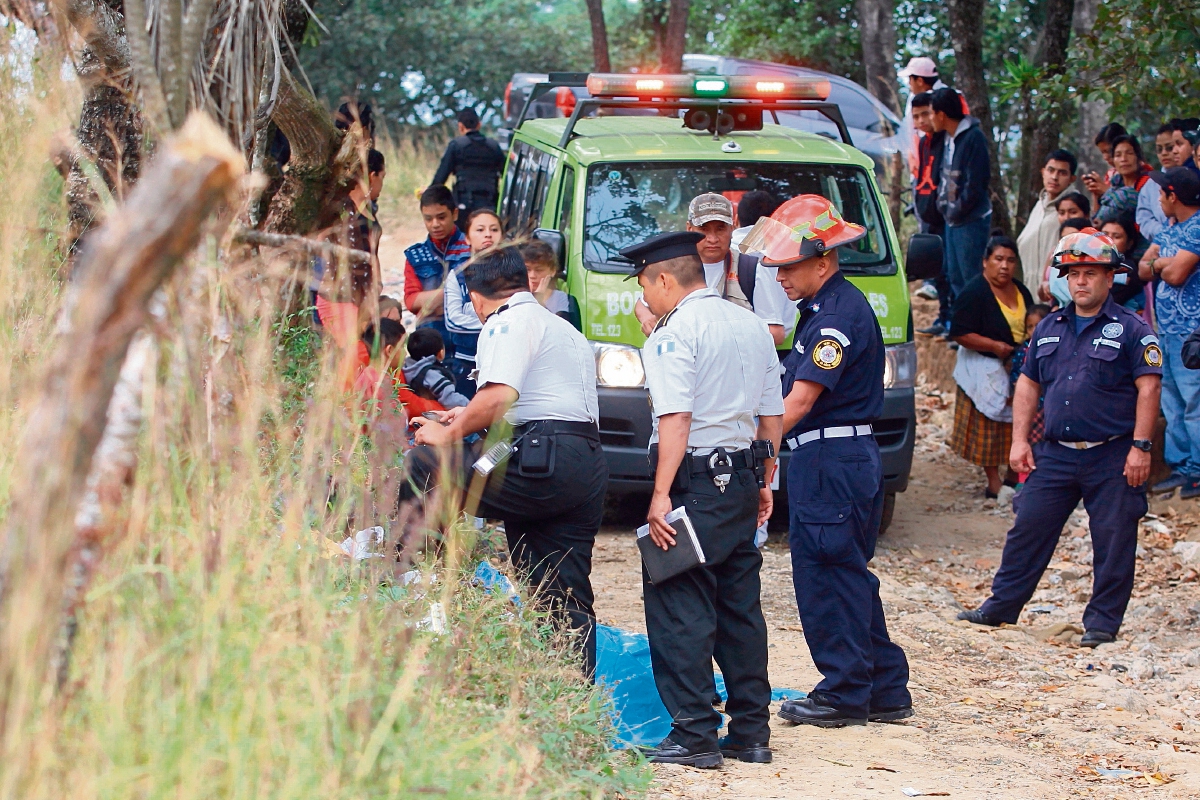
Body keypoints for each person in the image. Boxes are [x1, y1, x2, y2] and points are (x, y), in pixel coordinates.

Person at [739, 195, 912, 728]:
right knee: (848, 574)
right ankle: (883, 688)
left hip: (831, 460)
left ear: (823, 260)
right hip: (839, 458)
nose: (780, 277)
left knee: (826, 578)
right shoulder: (824, 310)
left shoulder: (834, 317)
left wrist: (757, 453)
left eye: (789, 267)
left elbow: (801, 400)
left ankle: (843, 694)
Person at [403, 245, 607, 675]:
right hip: (581, 462)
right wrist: (466, 414)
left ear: (476, 295)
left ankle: (412, 574)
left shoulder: (505, 321)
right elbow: (530, 401)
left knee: (423, 462)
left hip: (538, 456)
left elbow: (498, 395)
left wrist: (447, 433)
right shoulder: (560, 327)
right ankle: (572, 693)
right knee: (557, 588)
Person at [621, 230, 783, 767]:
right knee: (740, 605)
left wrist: (660, 494)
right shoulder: (752, 324)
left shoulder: (672, 333)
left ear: (664, 279)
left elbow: (676, 418)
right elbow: (770, 414)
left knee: (678, 601)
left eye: (647, 286)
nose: (646, 299)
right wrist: (764, 480)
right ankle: (751, 733)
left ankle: (693, 734)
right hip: (739, 476)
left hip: (692, 479)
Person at [958, 229, 1162, 648]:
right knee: (1028, 526)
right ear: (1064, 280)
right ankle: (1001, 606)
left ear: (1110, 278)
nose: (1081, 281)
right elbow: (1029, 385)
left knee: (1114, 537)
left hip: (1114, 453)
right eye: (1073, 274)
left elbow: (1150, 388)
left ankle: (1102, 624)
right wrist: (1019, 442)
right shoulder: (1049, 326)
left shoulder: (1131, 329)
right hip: (1055, 453)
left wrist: (1141, 447)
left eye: (1091, 273)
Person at [635, 194, 786, 345]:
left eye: (720, 229)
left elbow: (776, 333)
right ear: (689, 228)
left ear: (733, 227)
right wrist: (647, 319)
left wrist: (719, 338)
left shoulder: (752, 269)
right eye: (704, 230)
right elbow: (642, 304)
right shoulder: (674, 265)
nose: (712, 239)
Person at [948, 236, 1035, 497]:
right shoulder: (974, 293)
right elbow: (959, 332)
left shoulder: (1021, 290)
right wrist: (994, 346)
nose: (1004, 266)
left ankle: (1013, 472)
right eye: (998, 259)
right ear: (985, 262)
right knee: (989, 425)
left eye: (1010, 260)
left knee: (1017, 421)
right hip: (983, 366)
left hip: (1017, 366)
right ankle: (992, 480)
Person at [1140, 167, 1200, 497]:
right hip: (1167, 332)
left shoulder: (1199, 227)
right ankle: (1183, 467)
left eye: (1161, 194)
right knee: (1173, 401)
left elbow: (1175, 275)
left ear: (1173, 196)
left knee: (1195, 402)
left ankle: (1198, 468)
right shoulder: (1168, 228)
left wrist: (1162, 263)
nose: (1158, 200)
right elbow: (1141, 269)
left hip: (1193, 335)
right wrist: (1165, 261)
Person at [316, 148, 386, 357]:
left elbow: (371, 253)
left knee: (367, 356)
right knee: (355, 357)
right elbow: (320, 241)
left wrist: (377, 287)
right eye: (382, 177)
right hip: (339, 298)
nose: (382, 184)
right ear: (372, 176)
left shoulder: (367, 208)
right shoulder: (339, 207)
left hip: (361, 299)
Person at [932, 87, 993, 300]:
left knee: (971, 276)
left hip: (970, 220)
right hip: (951, 219)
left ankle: (975, 326)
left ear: (941, 115)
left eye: (932, 113)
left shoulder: (973, 137)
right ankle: (961, 327)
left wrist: (958, 209)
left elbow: (976, 182)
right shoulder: (948, 138)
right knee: (954, 276)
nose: (931, 119)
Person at [444, 209, 504, 399]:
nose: (488, 234)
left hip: (503, 361)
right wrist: (496, 324)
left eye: (494, 229)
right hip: (467, 362)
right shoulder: (457, 275)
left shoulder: (513, 274)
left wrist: (473, 314)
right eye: (480, 230)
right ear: (467, 238)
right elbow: (453, 320)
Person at [403, 185, 472, 343]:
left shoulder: (473, 248)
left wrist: (431, 301)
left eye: (441, 217)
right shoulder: (415, 255)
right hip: (429, 341)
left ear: (454, 214)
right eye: (428, 218)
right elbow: (411, 301)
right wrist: (456, 295)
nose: (435, 224)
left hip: (468, 339)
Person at [910, 91, 952, 335]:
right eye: (916, 116)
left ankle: (951, 321)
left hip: (944, 216)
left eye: (926, 114)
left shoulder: (945, 141)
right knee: (937, 270)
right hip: (928, 215)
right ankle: (942, 318)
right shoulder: (923, 142)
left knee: (949, 271)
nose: (922, 120)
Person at [429, 108, 505, 228]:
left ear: (460, 126)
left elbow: (440, 177)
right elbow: (506, 174)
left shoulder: (456, 146)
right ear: (479, 125)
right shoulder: (494, 146)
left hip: (464, 204)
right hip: (490, 203)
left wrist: (430, 194)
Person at [1017, 150, 1079, 290]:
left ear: (1072, 178)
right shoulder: (1040, 204)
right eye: (1051, 170)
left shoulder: (1074, 207)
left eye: (1062, 173)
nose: (1055, 177)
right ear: (1043, 171)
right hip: (1029, 288)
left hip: (1057, 290)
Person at [519, 238, 581, 330]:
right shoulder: (515, 297)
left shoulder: (562, 299)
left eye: (539, 270)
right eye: (528, 270)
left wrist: (539, 302)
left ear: (552, 271)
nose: (532, 275)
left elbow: (561, 331)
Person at [403, 327, 471, 409]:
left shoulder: (407, 367)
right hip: (435, 414)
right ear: (440, 353)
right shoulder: (431, 374)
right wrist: (469, 406)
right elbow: (450, 399)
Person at [1139, 123, 1183, 240]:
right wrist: (1163, 231)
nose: (1164, 153)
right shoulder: (1150, 185)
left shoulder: (1192, 178)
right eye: (1159, 149)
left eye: (1169, 147)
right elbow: (1144, 219)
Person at [1096, 135, 1151, 224]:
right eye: (1118, 155)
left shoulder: (1149, 183)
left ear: (1138, 157)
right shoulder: (1115, 185)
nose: (1123, 159)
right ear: (1113, 160)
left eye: (1129, 153)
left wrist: (1108, 192)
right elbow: (1097, 219)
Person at [1099, 213, 1149, 310]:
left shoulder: (1127, 270)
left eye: (1116, 237)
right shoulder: (1096, 264)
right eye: (1104, 235)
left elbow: (1100, 302)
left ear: (1129, 244)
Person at [1043, 217, 1093, 308]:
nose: (1067, 242)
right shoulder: (1057, 259)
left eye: (1073, 237)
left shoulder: (1098, 263)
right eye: (1063, 238)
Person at [1081, 122, 1128, 202]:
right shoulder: (1111, 175)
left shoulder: (1143, 174)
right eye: (1103, 152)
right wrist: (1096, 192)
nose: (1105, 157)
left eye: (1109, 151)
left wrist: (1107, 191)